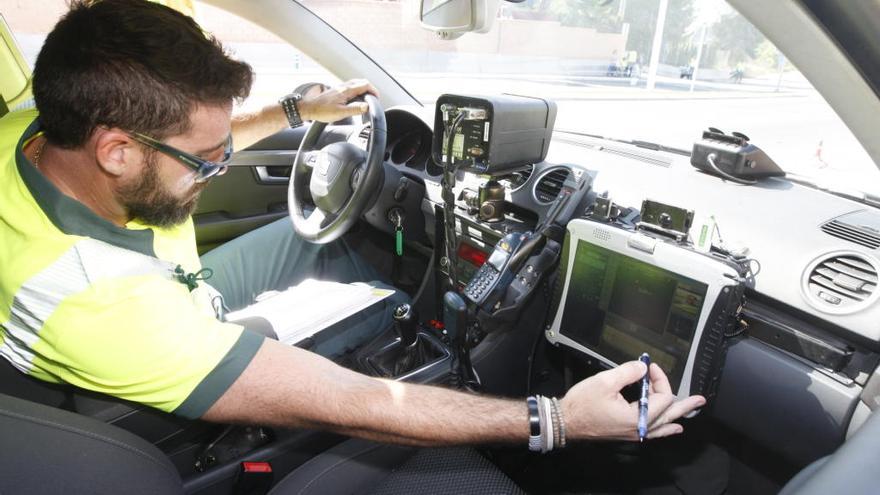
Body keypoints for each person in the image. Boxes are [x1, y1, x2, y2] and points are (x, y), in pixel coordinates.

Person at [0, 0, 704, 456]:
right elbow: (358, 402)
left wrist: (297, 111)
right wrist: (557, 419)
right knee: (375, 318)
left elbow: (188, 140)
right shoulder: (99, 305)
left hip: (173, 287)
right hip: (160, 338)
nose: (220, 165)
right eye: (206, 163)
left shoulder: (28, 131)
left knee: (329, 241)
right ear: (115, 152)